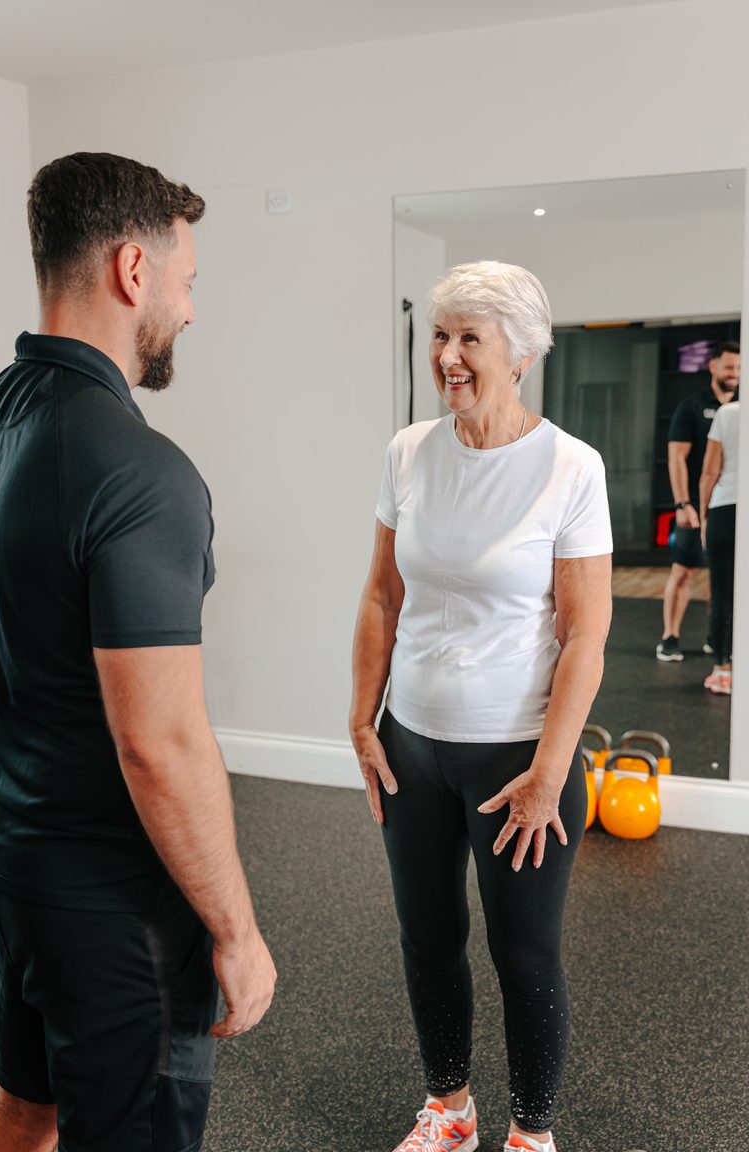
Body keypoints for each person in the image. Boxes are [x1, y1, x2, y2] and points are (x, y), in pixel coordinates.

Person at [0, 153, 276, 1152]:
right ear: (132, 272)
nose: (190, 312)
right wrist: (235, 934)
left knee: (26, 1110)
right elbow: (162, 743)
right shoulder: (141, 473)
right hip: (114, 909)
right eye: (186, 283)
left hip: (12, 864)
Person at [350, 262, 612, 1152]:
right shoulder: (408, 451)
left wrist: (549, 774)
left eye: (469, 338)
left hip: (519, 758)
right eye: (438, 335)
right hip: (412, 745)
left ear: (522, 353)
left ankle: (532, 1133)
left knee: (524, 955)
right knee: (427, 938)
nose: (447, 357)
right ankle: (449, 1107)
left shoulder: (572, 467)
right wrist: (361, 717)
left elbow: (584, 636)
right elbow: (382, 596)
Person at [656, 340, 740, 662]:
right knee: (685, 571)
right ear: (713, 367)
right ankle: (670, 637)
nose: (735, 374)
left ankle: (715, 637)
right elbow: (677, 458)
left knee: (722, 576)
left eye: (739, 368)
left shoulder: (740, 407)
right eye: (729, 367)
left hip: (726, 508)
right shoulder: (691, 407)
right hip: (696, 504)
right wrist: (683, 503)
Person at [699, 399, 740, 695]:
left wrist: (704, 517)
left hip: (727, 507)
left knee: (723, 590)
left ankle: (722, 669)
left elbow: (710, 472)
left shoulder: (729, 412)